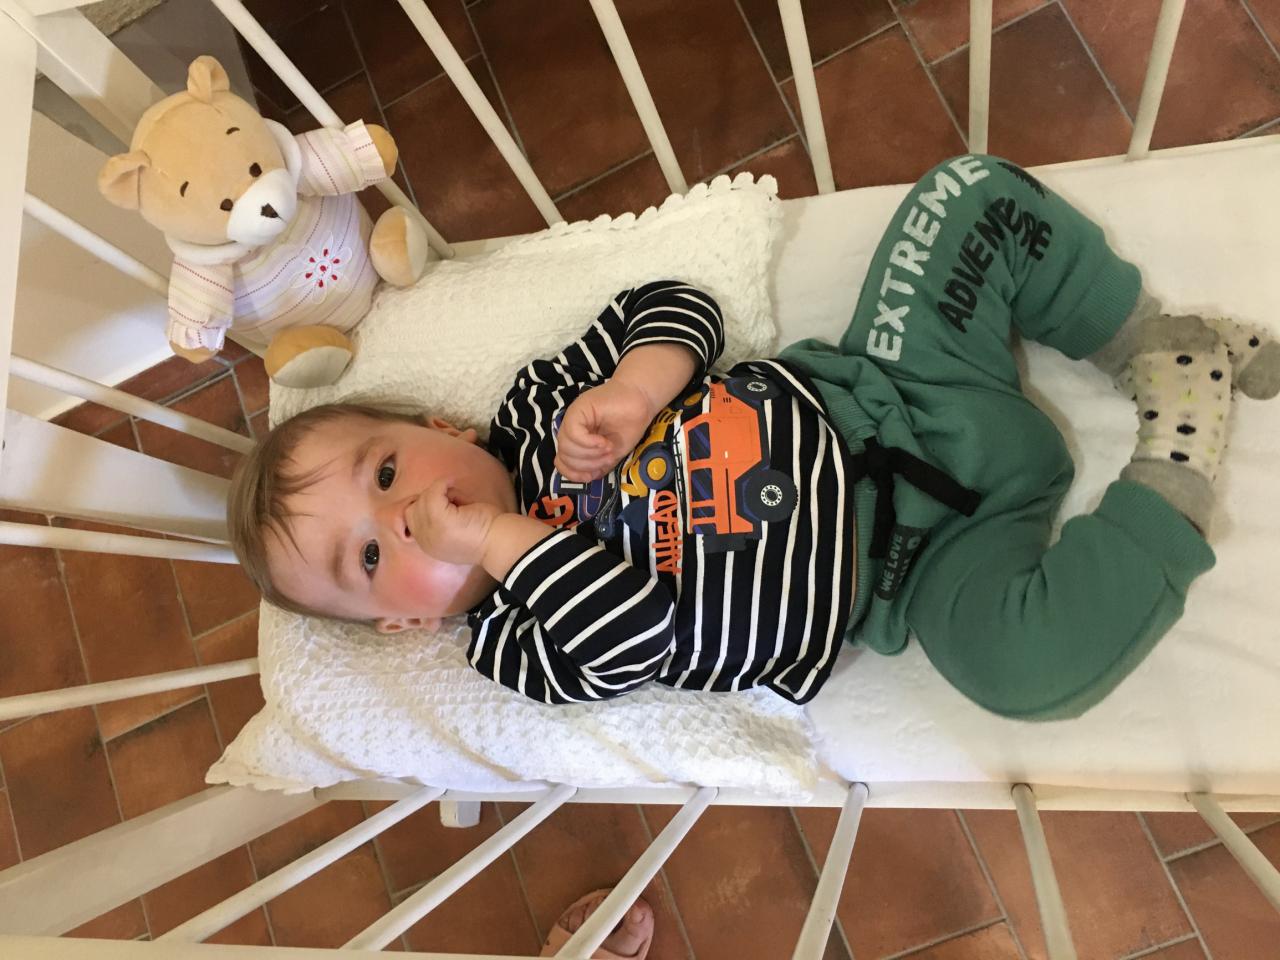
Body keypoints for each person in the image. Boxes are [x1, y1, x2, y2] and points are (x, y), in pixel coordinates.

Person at [229, 153, 1279, 722]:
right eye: (372, 558)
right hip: (909, 568)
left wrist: (637, 387)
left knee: (962, 194)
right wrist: (499, 543)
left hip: (891, 390)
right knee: (1025, 672)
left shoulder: (540, 403)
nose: (406, 517)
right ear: (406, 625)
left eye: (385, 472)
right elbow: (637, 634)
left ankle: (1147, 343)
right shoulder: (515, 643)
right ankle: (1177, 446)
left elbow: (671, 305)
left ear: (439, 426)